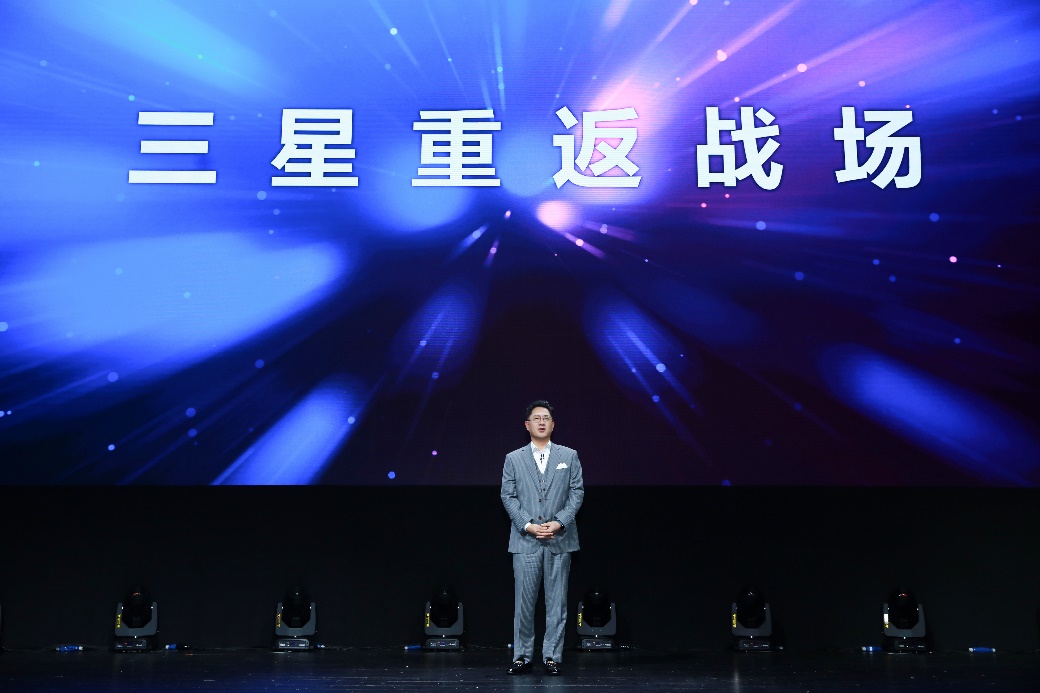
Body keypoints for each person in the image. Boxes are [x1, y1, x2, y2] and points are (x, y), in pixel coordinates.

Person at [500, 400, 585, 676]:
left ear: (553, 424)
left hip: (559, 540)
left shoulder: (568, 456)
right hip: (526, 541)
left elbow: (577, 493)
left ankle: (552, 656)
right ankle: (522, 656)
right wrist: (528, 525)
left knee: (557, 603)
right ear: (527, 425)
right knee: (524, 603)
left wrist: (559, 522)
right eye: (536, 418)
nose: (541, 422)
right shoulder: (513, 458)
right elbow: (508, 496)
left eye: (546, 418)